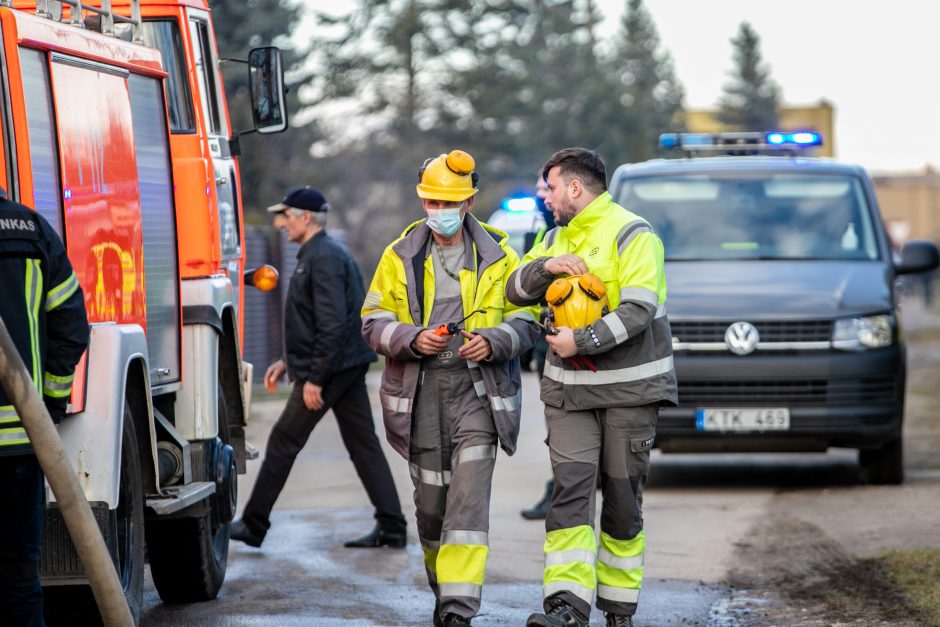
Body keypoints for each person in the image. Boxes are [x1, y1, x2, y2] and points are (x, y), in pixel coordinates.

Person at [361, 149, 539, 627]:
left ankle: (458, 611)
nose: (439, 211)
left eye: (449, 202)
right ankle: (446, 592)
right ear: (422, 201)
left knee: (467, 501)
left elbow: (528, 318)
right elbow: (372, 321)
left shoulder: (501, 254)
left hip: (477, 392)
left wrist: (496, 341)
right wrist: (410, 338)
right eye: (432, 201)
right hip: (422, 393)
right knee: (433, 507)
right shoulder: (398, 256)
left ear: (469, 202)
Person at [506, 148, 678, 627]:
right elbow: (513, 290)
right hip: (570, 395)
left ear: (575, 188)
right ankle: (566, 608)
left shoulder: (634, 234)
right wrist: (548, 267)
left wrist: (579, 339)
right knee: (570, 495)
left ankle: (618, 611)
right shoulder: (553, 237)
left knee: (622, 503)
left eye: (551, 188)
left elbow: (639, 310)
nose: (546, 197)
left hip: (630, 394)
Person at [231, 186, 407, 549]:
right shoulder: (318, 253)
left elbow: (331, 325)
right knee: (363, 445)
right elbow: (312, 321)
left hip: (332, 368)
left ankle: (253, 524)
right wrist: (287, 361)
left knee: (283, 440)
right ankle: (392, 526)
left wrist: (314, 379)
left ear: (305, 217)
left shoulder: (322, 257)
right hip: (342, 365)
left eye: (286, 216)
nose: (280, 223)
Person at [0, 189, 89, 626]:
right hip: (22, 442)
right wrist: (49, 402)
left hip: (23, 441)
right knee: (19, 574)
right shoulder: (31, 232)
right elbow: (72, 322)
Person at [520, 174, 555, 521]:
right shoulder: (543, 234)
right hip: (547, 344)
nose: (541, 199)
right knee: (555, 427)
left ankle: (559, 491)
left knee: (564, 430)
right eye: (538, 192)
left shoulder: (569, 233)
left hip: (573, 344)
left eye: (546, 190)